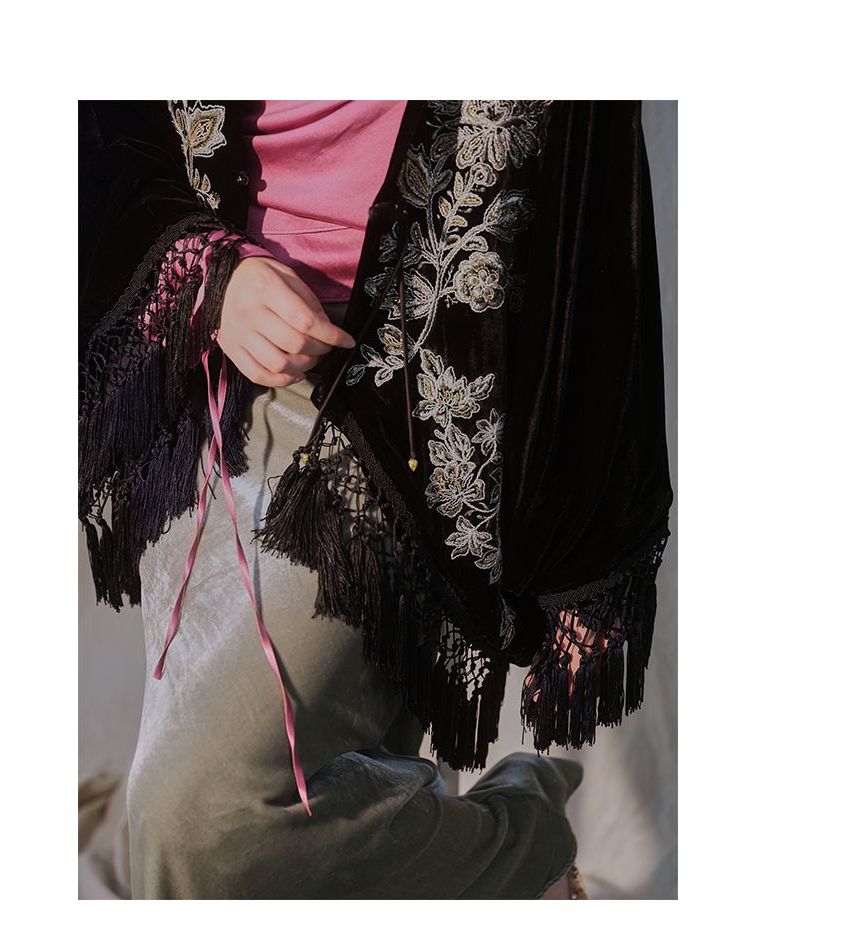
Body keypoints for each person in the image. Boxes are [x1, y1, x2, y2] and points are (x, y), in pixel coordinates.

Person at [79, 100, 672, 899]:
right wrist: (209, 275)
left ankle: (526, 850)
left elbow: (595, 208)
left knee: (199, 821)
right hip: (206, 371)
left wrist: (595, 548)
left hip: (405, 414)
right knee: (327, 803)